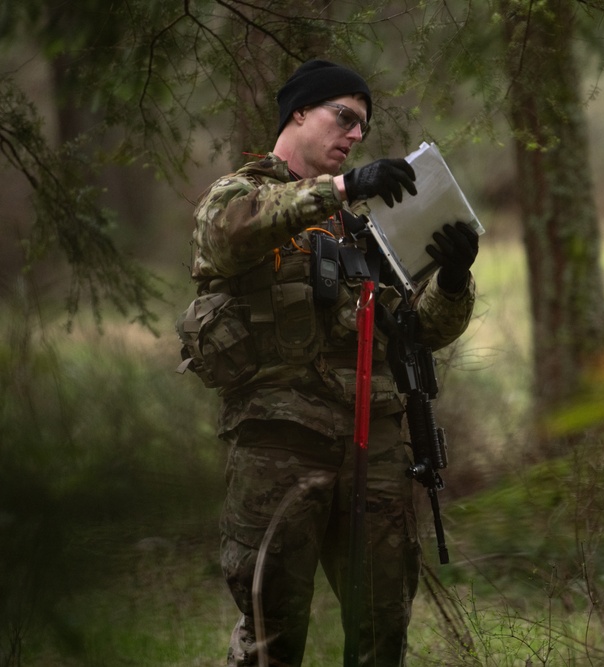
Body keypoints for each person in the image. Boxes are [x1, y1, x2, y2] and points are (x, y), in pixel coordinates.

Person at [184, 59, 479, 666]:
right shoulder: (239, 194)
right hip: (282, 444)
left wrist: (452, 277)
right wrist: (344, 187)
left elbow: (421, 331)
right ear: (298, 111)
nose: (353, 136)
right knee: (274, 627)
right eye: (343, 117)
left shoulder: (362, 230)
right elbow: (230, 234)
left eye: (362, 129)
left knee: (381, 628)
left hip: (375, 448)